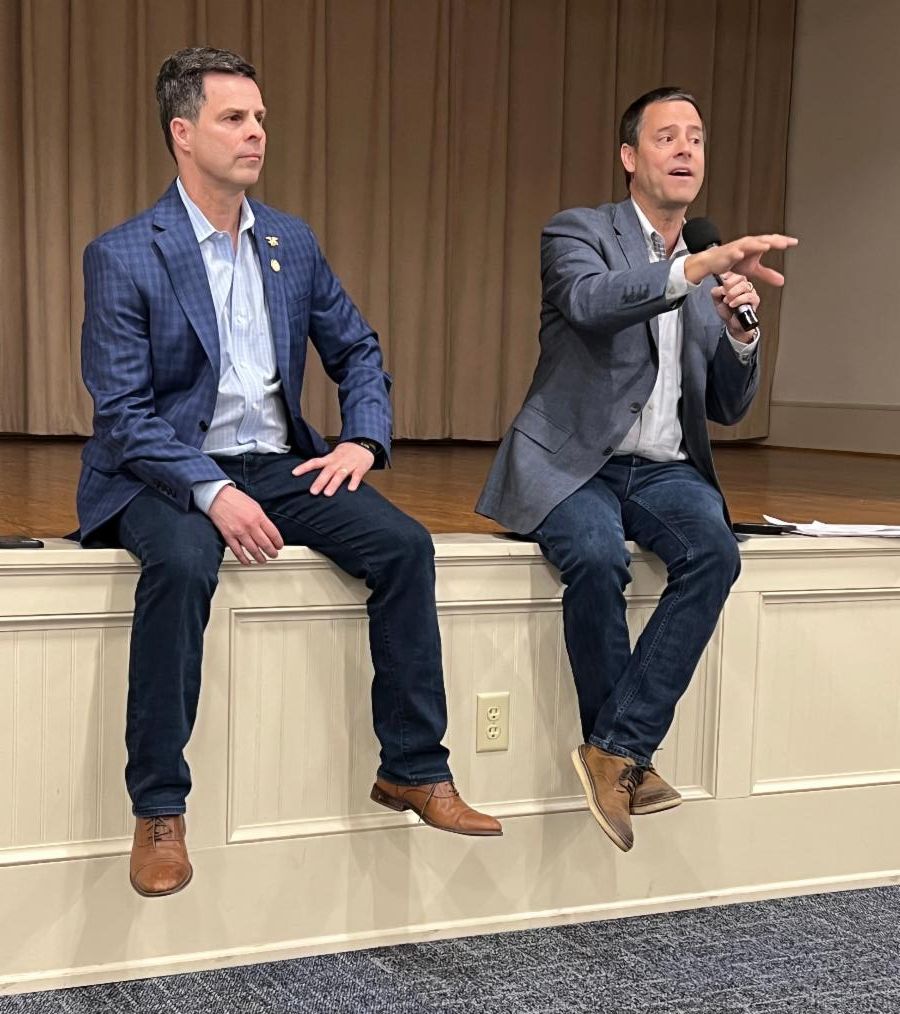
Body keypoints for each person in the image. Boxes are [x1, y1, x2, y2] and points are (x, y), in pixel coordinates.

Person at [77, 46, 501, 898]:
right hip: (161, 472)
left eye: (261, 118)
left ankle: (413, 767)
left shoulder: (289, 242)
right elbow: (123, 414)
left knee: (404, 546)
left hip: (275, 461)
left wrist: (362, 441)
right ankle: (159, 808)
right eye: (235, 118)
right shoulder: (123, 254)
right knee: (184, 559)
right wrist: (212, 492)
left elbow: (359, 349)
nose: (256, 133)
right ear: (182, 132)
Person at [476, 86, 797, 853]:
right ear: (629, 156)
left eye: (697, 137)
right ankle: (626, 758)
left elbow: (728, 407)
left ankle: (614, 748)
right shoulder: (579, 232)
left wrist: (740, 335)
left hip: (662, 470)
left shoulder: (708, 266)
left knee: (715, 552)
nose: (686, 149)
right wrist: (690, 272)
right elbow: (591, 303)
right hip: (573, 463)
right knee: (595, 557)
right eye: (666, 136)